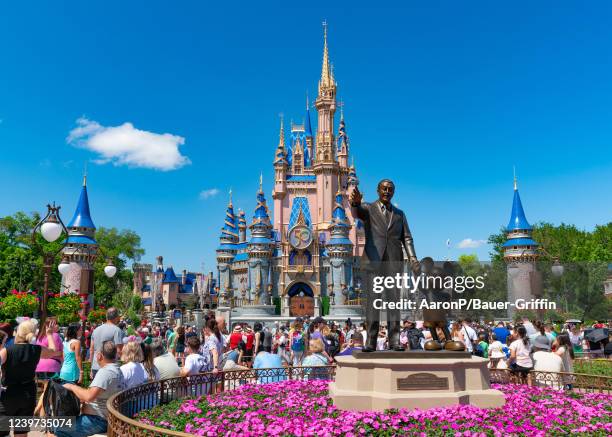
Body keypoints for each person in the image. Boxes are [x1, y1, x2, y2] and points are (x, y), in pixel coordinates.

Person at [350, 179, 420, 352]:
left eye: (390, 189)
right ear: (377, 190)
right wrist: (355, 203)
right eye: (384, 188)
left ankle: (395, 340)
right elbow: (357, 212)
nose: (387, 191)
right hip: (373, 262)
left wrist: (413, 258)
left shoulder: (399, 214)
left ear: (393, 192)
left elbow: (407, 238)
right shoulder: (368, 208)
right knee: (373, 303)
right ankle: (371, 342)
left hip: (393, 263)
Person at [0, 320, 61, 437]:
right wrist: (49, 335)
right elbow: (53, 351)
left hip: (8, 394)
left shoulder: (7, 351)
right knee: (21, 433)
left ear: (18, 332)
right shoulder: (36, 350)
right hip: (28, 394)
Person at [58, 340, 125, 437]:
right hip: (104, 417)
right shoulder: (117, 369)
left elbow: (89, 397)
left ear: (99, 356)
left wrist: (72, 386)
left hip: (98, 420)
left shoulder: (106, 372)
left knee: (56, 428)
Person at [90, 307, 124, 379]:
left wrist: (91, 368)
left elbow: (92, 350)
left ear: (106, 316)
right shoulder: (117, 330)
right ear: (117, 317)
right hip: (109, 367)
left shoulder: (96, 330)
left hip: (95, 366)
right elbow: (119, 350)